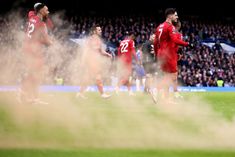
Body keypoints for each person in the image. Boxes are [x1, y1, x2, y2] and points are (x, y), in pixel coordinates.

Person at [18, 2, 53, 104]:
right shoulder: (42, 25)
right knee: (34, 74)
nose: (48, 12)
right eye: (46, 10)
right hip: (33, 51)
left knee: (34, 74)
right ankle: (23, 94)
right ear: (41, 11)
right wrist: (52, 42)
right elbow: (47, 41)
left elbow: (33, 10)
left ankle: (32, 97)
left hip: (27, 48)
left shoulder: (31, 15)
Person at [153, 8, 189, 103]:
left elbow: (156, 42)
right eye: (175, 15)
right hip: (168, 55)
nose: (176, 17)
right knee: (172, 77)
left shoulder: (159, 27)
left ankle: (166, 98)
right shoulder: (170, 27)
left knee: (167, 76)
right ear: (170, 16)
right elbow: (175, 40)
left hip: (161, 54)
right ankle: (156, 89)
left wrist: (157, 55)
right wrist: (187, 44)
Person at [76, 25, 112, 99]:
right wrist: (84, 60)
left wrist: (107, 54)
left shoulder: (97, 39)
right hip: (92, 60)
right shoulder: (92, 39)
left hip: (94, 60)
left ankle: (80, 93)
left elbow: (101, 51)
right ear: (94, 31)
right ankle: (102, 94)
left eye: (100, 29)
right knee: (98, 77)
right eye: (99, 30)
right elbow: (86, 50)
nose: (100, 31)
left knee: (88, 78)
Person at [116, 31, 138, 95]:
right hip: (127, 61)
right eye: (134, 37)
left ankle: (129, 91)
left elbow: (119, 52)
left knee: (127, 77)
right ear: (132, 36)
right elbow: (133, 51)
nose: (134, 38)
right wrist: (137, 59)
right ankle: (117, 87)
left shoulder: (122, 42)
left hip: (122, 61)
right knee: (126, 77)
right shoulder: (131, 41)